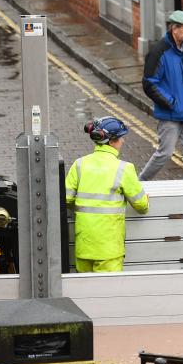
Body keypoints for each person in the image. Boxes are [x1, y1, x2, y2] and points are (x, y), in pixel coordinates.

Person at [65, 117, 149, 272]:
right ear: (111, 142)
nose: (123, 141)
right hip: (109, 248)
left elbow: (67, 199)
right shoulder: (124, 168)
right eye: (120, 138)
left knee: (84, 293)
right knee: (107, 292)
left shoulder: (79, 164)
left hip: (84, 245)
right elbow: (142, 206)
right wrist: (145, 200)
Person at [139, 10, 183, 180]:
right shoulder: (159, 52)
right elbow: (149, 83)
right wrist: (171, 103)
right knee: (164, 154)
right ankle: (140, 183)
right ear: (174, 29)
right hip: (171, 113)